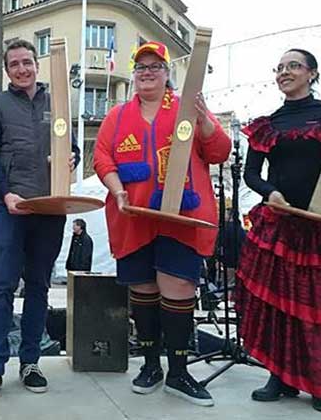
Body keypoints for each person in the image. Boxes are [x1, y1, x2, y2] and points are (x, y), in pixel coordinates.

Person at [93, 41, 231, 407]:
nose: (147, 72)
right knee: (142, 289)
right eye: (141, 67)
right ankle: (151, 366)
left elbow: (219, 152)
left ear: (167, 73)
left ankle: (180, 372)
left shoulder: (188, 110)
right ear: (134, 74)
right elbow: (102, 158)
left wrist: (204, 121)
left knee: (178, 288)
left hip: (181, 218)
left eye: (155, 66)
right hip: (134, 217)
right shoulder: (117, 115)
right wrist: (118, 190)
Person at [236, 48, 321, 413]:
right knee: (277, 305)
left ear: (311, 73)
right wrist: (270, 193)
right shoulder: (267, 123)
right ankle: (280, 377)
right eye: (279, 68)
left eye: (293, 66)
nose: (284, 72)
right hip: (278, 226)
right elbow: (250, 175)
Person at [0, 39, 79, 405]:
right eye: (14, 64)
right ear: (7, 70)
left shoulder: (57, 102)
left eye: (27, 62)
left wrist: (70, 159)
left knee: (38, 286)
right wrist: (6, 194)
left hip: (50, 207)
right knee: (1, 286)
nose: (22, 69)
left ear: (37, 64)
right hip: (11, 206)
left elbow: (73, 149)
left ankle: (30, 362)